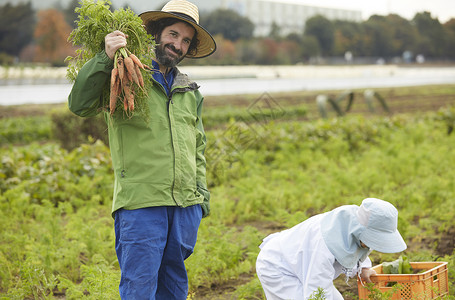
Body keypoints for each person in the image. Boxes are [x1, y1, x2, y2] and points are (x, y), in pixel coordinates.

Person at [68, 0, 216, 299]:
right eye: (173, 34)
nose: (178, 45)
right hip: (142, 204)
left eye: (186, 40)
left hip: (186, 205)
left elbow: (199, 146)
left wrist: (200, 200)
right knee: (139, 287)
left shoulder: (190, 92)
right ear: (156, 33)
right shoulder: (124, 76)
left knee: (174, 287)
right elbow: (79, 104)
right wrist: (104, 57)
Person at [256, 198, 407, 300]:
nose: (371, 244)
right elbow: (316, 292)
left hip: (301, 264)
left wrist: (363, 268)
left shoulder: (350, 228)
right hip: (279, 268)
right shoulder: (322, 247)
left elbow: (353, 248)